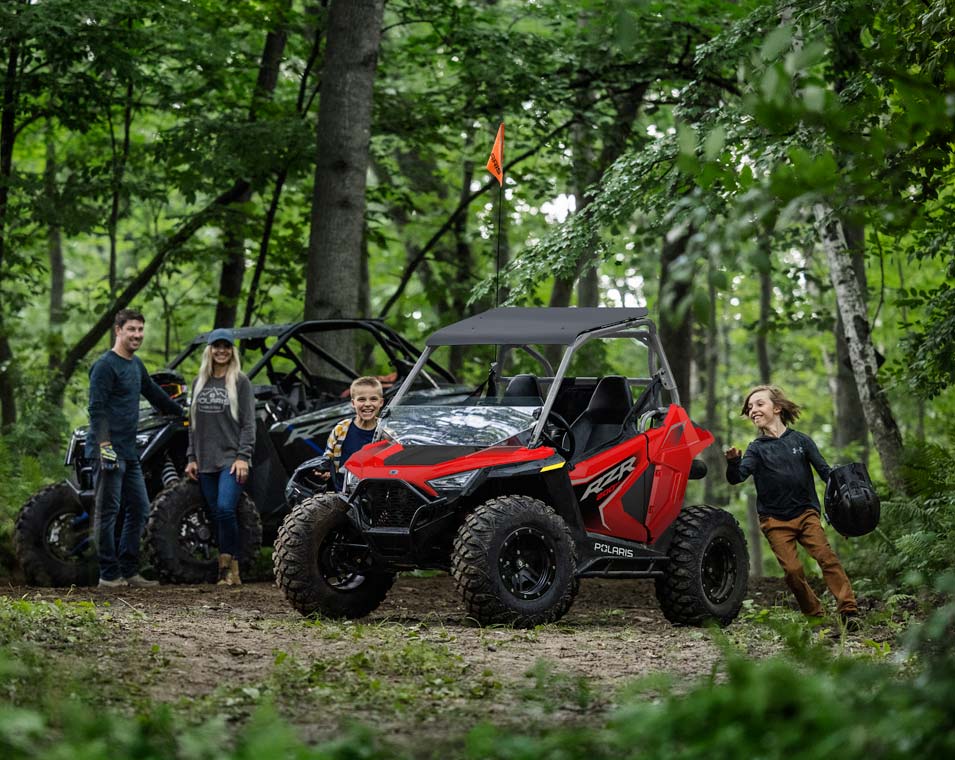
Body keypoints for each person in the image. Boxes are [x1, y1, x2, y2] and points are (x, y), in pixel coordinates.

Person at [725, 384, 861, 629]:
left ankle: (849, 611)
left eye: (759, 404)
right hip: (775, 520)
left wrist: (846, 506)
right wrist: (734, 463)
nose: (753, 410)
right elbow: (737, 477)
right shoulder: (756, 449)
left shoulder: (801, 441)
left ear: (777, 408)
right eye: (750, 407)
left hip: (807, 514)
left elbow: (826, 474)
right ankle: (815, 614)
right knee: (792, 571)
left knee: (827, 558)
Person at [88, 308, 187, 588]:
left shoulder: (135, 365)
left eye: (140, 329)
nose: (137, 335)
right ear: (118, 330)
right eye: (131, 329)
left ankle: (129, 570)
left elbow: (153, 392)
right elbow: (96, 410)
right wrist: (105, 447)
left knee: (141, 508)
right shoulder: (104, 366)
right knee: (108, 512)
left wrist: (182, 413)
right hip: (107, 450)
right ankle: (108, 575)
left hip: (130, 452)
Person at [184, 328, 255, 586]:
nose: (221, 351)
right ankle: (228, 570)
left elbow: (249, 424)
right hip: (204, 461)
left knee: (225, 509)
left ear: (232, 350)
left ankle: (229, 569)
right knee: (216, 514)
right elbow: (193, 425)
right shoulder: (199, 382)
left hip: (231, 460)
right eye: (217, 346)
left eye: (226, 346)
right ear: (210, 350)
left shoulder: (241, 382)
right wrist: (191, 457)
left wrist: (243, 456)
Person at [321, 376, 384, 490]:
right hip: (343, 492)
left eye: (373, 399)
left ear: (381, 402)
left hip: (375, 491)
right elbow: (328, 457)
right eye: (361, 399)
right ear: (353, 403)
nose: (367, 404)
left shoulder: (386, 432)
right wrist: (325, 471)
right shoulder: (341, 429)